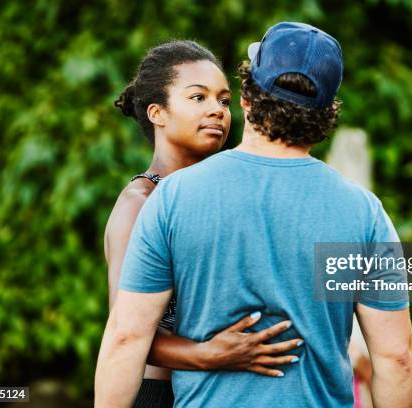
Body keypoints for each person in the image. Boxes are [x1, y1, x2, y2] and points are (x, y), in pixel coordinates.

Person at [96, 23, 412, 407]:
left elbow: (126, 338)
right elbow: (395, 357)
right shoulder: (365, 212)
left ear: (245, 98)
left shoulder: (172, 199)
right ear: (328, 113)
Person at [103, 40, 303, 407]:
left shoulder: (222, 194)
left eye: (224, 101)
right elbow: (126, 334)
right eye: (199, 98)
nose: (217, 111)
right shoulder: (141, 203)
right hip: (158, 394)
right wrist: (212, 354)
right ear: (157, 113)